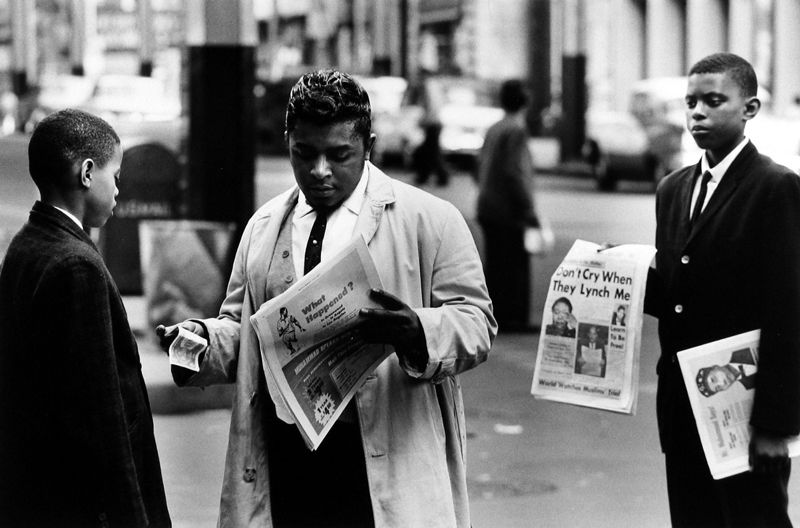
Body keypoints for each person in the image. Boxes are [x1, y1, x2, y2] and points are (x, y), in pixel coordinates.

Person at [157, 69, 496, 527]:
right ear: (288, 143)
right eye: (304, 154)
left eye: (339, 155)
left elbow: (477, 324)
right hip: (286, 463)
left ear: (369, 145)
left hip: (377, 459)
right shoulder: (263, 227)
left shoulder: (431, 221)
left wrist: (418, 331)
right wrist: (197, 340)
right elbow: (243, 331)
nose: (319, 172)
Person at [644, 52, 800, 527]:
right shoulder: (672, 189)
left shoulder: (776, 187)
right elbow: (677, 294)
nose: (697, 112)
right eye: (690, 102)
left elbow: (788, 312)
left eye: (714, 101)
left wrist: (776, 426)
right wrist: (620, 275)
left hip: (743, 413)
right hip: (683, 407)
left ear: (749, 108)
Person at [0, 109, 171, 527]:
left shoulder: (27, 243)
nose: (119, 187)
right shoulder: (78, 267)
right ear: (88, 173)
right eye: (116, 173)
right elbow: (103, 415)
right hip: (81, 505)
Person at [476, 79, 539, 332]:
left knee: (497, 264)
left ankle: (495, 314)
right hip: (507, 209)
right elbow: (515, 172)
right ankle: (513, 318)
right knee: (514, 264)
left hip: (488, 205)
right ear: (525, 101)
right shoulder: (516, 130)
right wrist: (528, 208)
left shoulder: (494, 128)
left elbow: (478, 166)